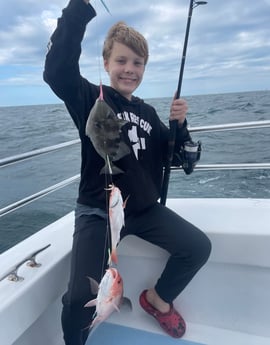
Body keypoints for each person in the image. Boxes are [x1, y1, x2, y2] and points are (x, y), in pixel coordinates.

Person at [44, 0, 211, 344]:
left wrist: (181, 128)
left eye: (137, 62)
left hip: (143, 210)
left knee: (197, 247)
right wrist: (79, 9)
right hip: (97, 209)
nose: (129, 69)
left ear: (145, 68)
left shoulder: (149, 113)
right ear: (106, 64)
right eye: (121, 60)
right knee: (79, 299)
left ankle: (157, 300)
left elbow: (180, 159)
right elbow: (57, 72)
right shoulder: (91, 97)